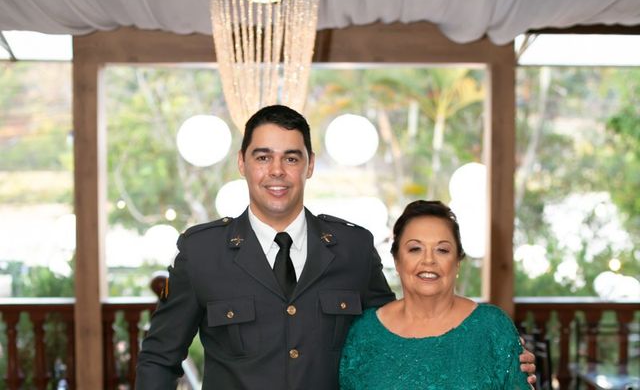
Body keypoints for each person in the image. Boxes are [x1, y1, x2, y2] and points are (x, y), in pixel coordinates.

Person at [136, 105, 535, 389]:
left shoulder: (352, 248)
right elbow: (159, 357)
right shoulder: (202, 253)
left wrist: (495, 360)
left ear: (309, 165)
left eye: (291, 158)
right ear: (242, 163)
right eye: (263, 157)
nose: (277, 171)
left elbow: (394, 333)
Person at [339, 200, 532, 390]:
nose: (429, 260)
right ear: (397, 260)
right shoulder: (363, 332)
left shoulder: (493, 327)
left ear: (457, 262)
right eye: (415, 249)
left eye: (442, 250)